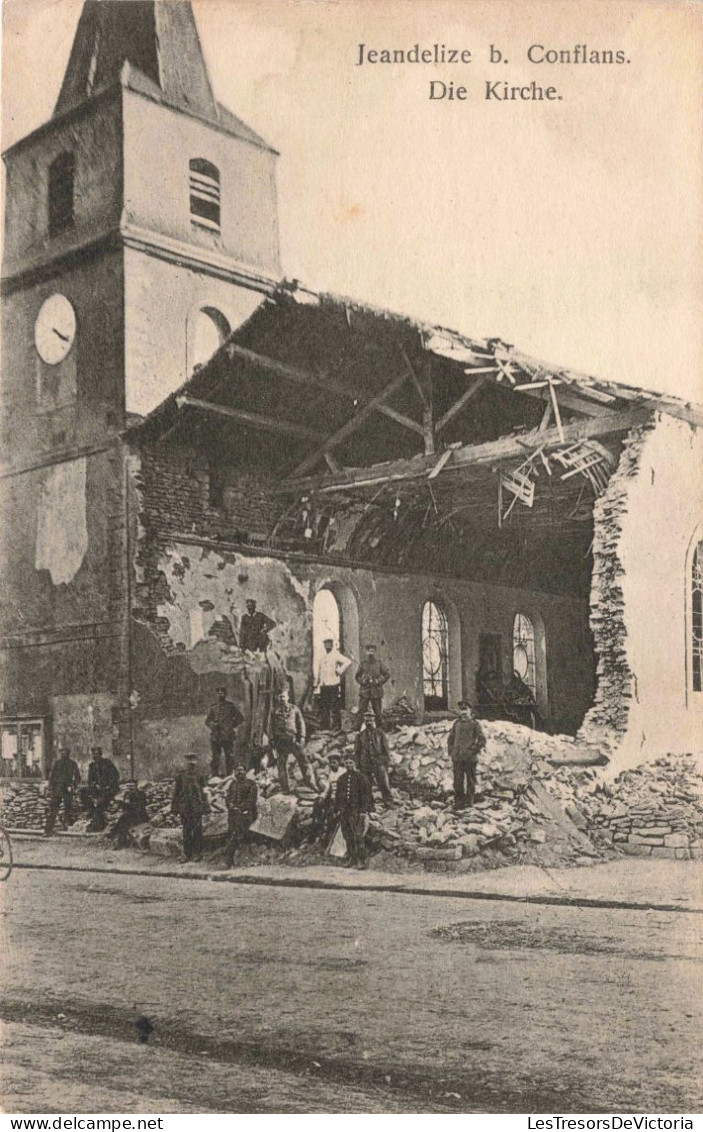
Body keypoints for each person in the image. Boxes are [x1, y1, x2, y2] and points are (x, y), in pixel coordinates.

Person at [270, 688, 317, 794]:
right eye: (280, 696)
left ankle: (311, 784)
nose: (282, 699)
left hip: (294, 740)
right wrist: (272, 740)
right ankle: (285, 788)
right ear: (277, 698)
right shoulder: (274, 711)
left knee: (304, 762)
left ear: (288, 697)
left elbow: (301, 723)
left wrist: (302, 737)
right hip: (281, 742)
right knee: (282, 765)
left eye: (284, 696)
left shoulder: (294, 709)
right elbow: (270, 727)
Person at [333, 755, 374, 869]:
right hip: (344, 811)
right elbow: (337, 796)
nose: (348, 765)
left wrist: (363, 811)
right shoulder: (341, 779)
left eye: (351, 762)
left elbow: (366, 796)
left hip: (356, 811)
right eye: (346, 763)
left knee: (358, 836)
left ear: (355, 764)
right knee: (347, 835)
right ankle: (352, 859)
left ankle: (362, 860)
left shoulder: (361, 778)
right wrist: (336, 809)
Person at [171, 753, 211, 862]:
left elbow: (204, 792)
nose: (191, 762)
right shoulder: (180, 775)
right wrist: (174, 808)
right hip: (185, 807)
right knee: (186, 831)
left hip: (196, 807)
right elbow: (176, 793)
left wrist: (206, 807)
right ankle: (187, 854)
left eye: (193, 760)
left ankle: (197, 853)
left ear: (196, 762)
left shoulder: (200, 775)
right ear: (186, 762)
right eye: (189, 760)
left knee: (197, 830)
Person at [447, 701, 486, 811]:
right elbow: (451, 738)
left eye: (465, 709)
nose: (463, 712)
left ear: (470, 710)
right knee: (458, 781)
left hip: (469, 758)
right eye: (461, 709)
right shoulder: (456, 723)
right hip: (457, 757)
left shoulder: (475, 724)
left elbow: (482, 740)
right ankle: (459, 802)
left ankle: (469, 802)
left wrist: (473, 750)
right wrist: (451, 750)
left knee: (470, 780)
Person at [354, 708, 394, 807]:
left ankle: (389, 804)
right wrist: (358, 765)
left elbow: (386, 749)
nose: (369, 723)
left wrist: (386, 763)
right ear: (364, 721)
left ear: (374, 721)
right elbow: (357, 752)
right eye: (367, 721)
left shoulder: (380, 733)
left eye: (371, 720)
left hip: (378, 762)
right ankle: (369, 806)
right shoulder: (360, 736)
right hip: (365, 764)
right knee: (366, 786)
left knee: (384, 785)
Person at [205, 685, 244, 777]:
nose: (220, 694)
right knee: (215, 758)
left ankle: (229, 776)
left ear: (225, 694)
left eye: (222, 693)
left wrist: (231, 725)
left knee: (229, 757)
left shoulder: (230, 706)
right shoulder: (213, 707)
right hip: (216, 736)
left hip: (227, 736)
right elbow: (207, 721)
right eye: (218, 693)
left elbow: (240, 718)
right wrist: (213, 725)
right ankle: (215, 776)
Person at [315, 638, 352, 731]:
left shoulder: (336, 655)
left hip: (333, 685)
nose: (327, 646)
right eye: (326, 644)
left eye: (329, 644)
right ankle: (326, 727)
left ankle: (336, 727)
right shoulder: (322, 658)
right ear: (324, 646)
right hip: (324, 686)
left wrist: (339, 671)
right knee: (325, 707)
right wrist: (317, 683)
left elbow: (348, 661)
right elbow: (319, 672)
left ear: (332, 645)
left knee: (335, 707)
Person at [225, 764, 258, 866]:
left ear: (245, 772)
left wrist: (240, 808)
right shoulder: (232, 785)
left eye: (241, 770)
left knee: (239, 835)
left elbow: (251, 801)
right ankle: (231, 860)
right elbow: (228, 799)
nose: (239, 772)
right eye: (237, 770)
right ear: (234, 772)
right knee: (232, 833)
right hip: (233, 815)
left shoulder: (251, 784)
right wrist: (231, 806)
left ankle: (231, 860)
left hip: (246, 814)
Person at [44, 747, 81, 835]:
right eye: (62, 752)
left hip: (67, 789)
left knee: (68, 808)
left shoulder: (72, 764)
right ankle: (48, 830)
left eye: (65, 752)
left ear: (68, 753)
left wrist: (73, 785)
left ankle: (66, 827)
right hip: (58, 789)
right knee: (53, 809)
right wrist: (50, 788)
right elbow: (52, 777)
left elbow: (78, 777)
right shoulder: (57, 764)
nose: (63, 754)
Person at [84, 746, 120, 831]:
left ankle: (96, 824)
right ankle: (93, 816)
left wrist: (108, 785)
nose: (95, 756)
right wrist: (95, 784)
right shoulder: (92, 766)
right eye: (94, 754)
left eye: (97, 754)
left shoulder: (107, 763)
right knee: (85, 794)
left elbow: (116, 775)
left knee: (101, 802)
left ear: (100, 754)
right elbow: (90, 780)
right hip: (97, 789)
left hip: (109, 789)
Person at [310, 754, 345, 843]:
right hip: (332, 798)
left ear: (338, 763)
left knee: (331, 813)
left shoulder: (344, 772)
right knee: (317, 803)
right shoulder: (331, 774)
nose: (332, 765)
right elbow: (328, 788)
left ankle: (327, 839)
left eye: (334, 762)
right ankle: (317, 829)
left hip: (340, 800)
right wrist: (322, 796)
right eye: (331, 763)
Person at [354, 643, 390, 724]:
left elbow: (387, 675)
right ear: (366, 652)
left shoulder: (379, 663)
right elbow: (357, 676)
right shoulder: (363, 664)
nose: (371, 653)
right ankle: (358, 728)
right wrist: (362, 681)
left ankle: (379, 729)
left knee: (378, 712)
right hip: (365, 691)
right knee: (361, 711)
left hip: (376, 691)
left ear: (374, 652)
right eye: (369, 651)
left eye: (372, 651)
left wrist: (378, 681)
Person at [108, 781, 149, 849]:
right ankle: (120, 843)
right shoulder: (127, 794)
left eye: (132, 786)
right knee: (123, 820)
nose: (130, 788)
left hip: (140, 815)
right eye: (128, 786)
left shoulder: (141, 794)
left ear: (136, 786)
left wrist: (127, 804)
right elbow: (124, 807)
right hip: (130, 814)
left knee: (124, 819)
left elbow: (140, 807)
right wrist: (122, 804)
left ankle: (114, 834)